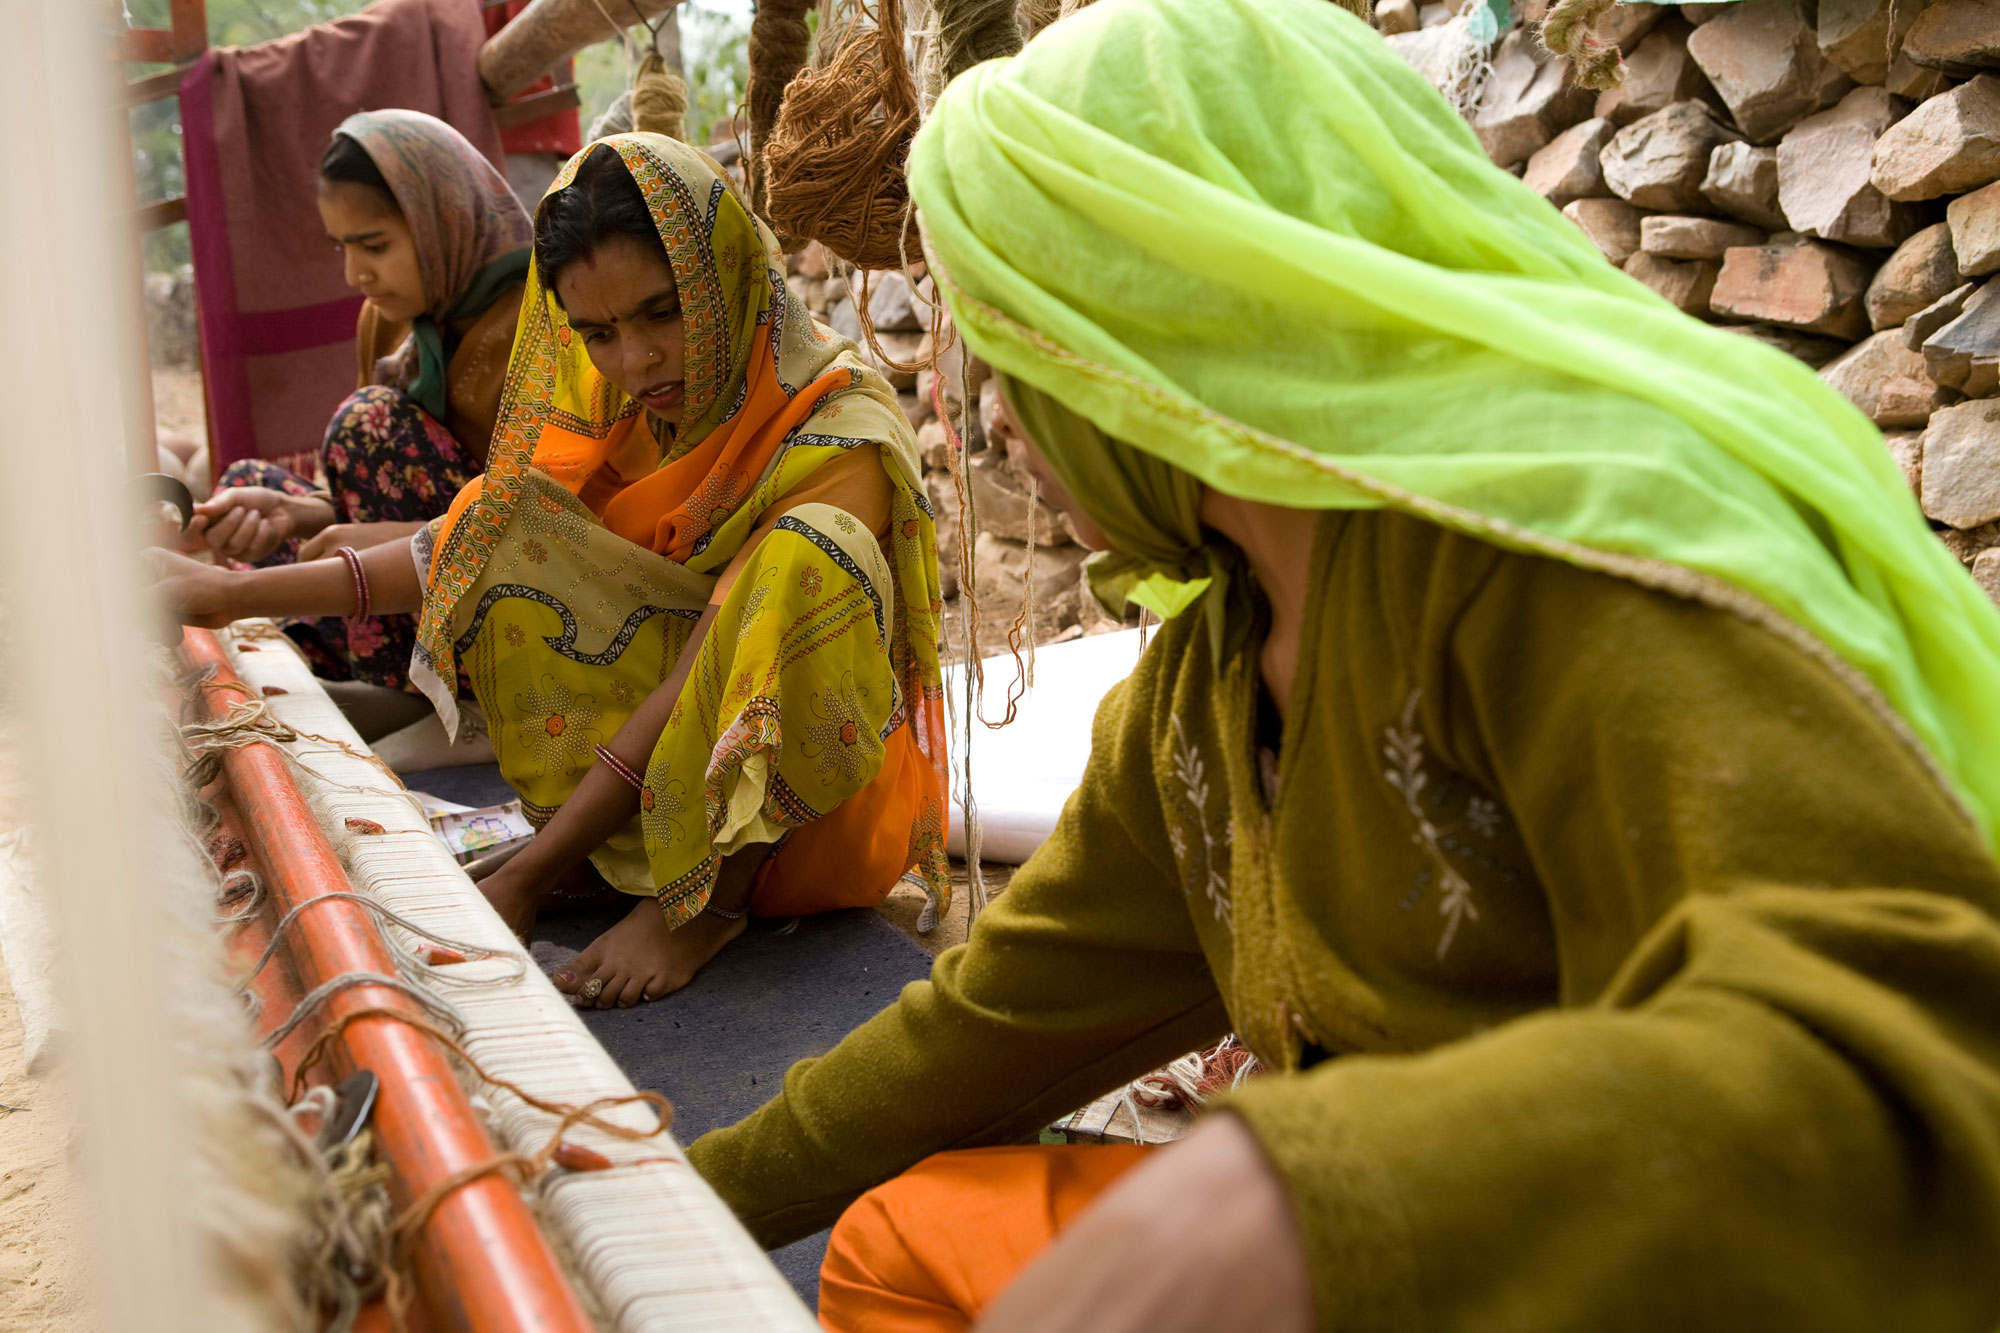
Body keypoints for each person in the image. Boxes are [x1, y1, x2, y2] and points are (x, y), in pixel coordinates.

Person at [679, 0, 2000, 1329]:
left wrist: (1301, 1192)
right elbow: (993, 1028)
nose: (1000, 420)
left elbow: (1908, 1061)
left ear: (1167, 321)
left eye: (1023, 349)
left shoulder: (1570, 574)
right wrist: (677, 1205)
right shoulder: (1211, 681)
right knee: (908, 1243)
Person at [153, 134, 951, 1003]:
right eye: (599, 332)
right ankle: (622, 862)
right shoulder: (624, 403)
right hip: (650, 775)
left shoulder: (839, 426)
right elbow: (469, 541)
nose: (636, 361)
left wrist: (533, 872)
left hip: (798, 821)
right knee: (511, 512)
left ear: (727, 275)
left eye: (662, 313)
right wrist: (229, 595)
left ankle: (709, 903)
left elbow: (700, 676)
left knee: (808, 555)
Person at [189, 109, 533, 693]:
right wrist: (306, 513)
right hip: (408, 574)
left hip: (512, 598)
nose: (354, 274)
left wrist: (411, 540)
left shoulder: (542, 324)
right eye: (342, 248)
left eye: (374, 245)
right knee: (252, 485)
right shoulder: (390, 321)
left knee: (368, 424)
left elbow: (556, 530)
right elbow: (382, 492)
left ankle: (416, 694)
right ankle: (374, 667)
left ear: (440, 222)